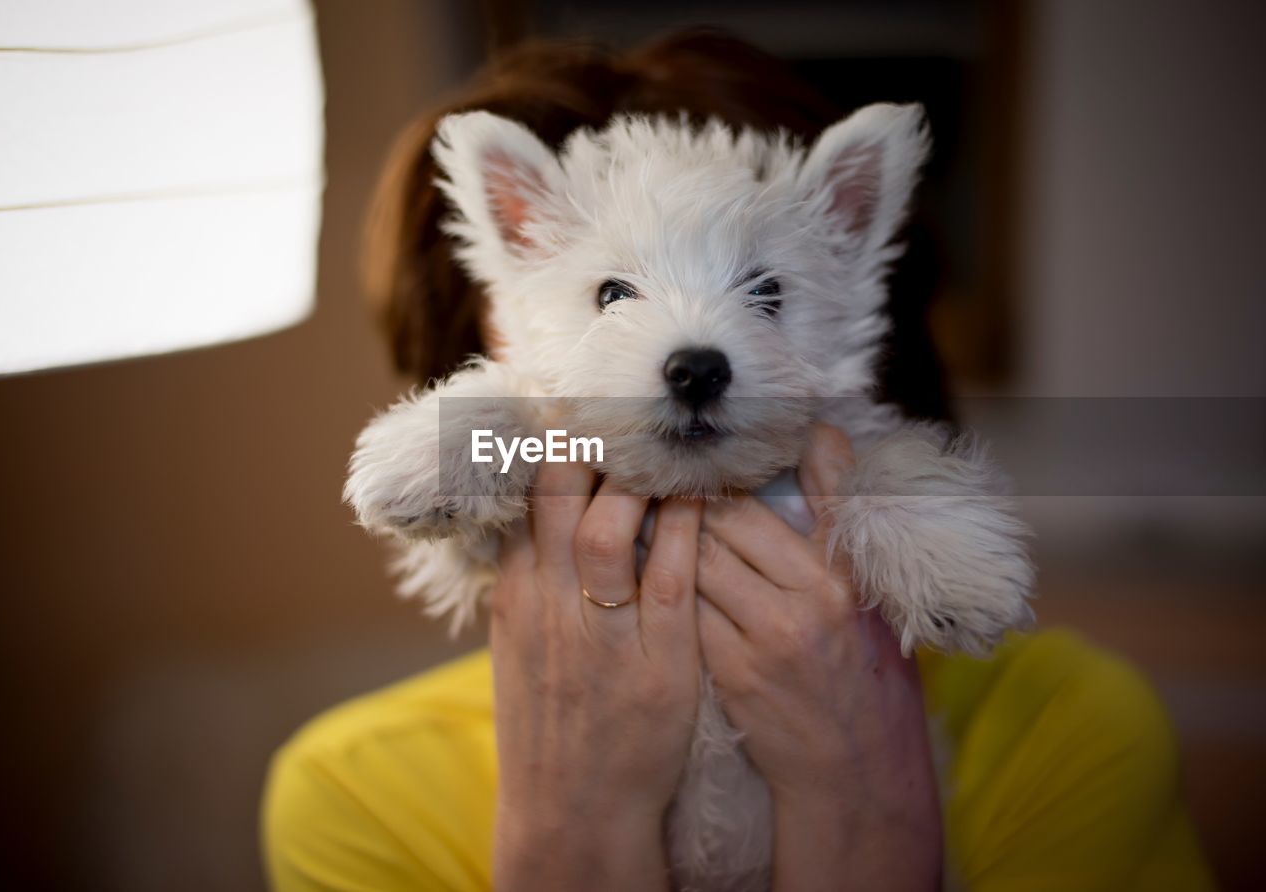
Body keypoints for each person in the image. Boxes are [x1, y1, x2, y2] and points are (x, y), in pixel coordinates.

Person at [261, 30, 1214, 891]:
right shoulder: (354, 791)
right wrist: (571, 832)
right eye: (614, 292)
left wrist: (866, 799)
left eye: (764, 291)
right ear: (498, 323)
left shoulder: (1070, 728)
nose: (692, 348)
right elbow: (505, 443)